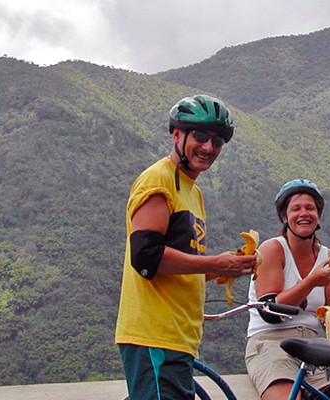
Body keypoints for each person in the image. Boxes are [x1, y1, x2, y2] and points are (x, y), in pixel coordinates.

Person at [115, 94, 258, 400]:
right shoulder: (158, 180)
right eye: (201, 136)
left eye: (217, 141)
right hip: (154, 337)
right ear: (177, 134)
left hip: (179, 339)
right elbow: (146, 258)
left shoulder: (193, 192)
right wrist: (214, 264)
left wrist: (227, 267)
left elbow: (182, 265)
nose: (208, 147)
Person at [244, 179, 330, 399]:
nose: (304, 213)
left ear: (318, 215)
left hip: (312, 343)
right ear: (285, 217)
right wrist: (311, 281)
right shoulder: (272, 249)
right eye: (296, 209)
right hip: (271, 342)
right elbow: (270, 311)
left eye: (310, 208)